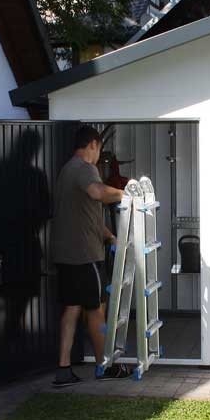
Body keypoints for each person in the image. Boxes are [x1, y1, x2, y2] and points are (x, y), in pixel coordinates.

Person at [52, 125, 132, 386]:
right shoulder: (86, 169)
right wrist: (126, 194)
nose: (99, 157)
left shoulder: (66, 170)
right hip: (86, 256)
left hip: (66, 255)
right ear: (93, 145)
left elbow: (86, 216)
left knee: (72, 309)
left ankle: (63, 370)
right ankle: (105, 366)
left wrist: (109, 236)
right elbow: (98, 193)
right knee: (97, 310)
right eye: (99, 150)